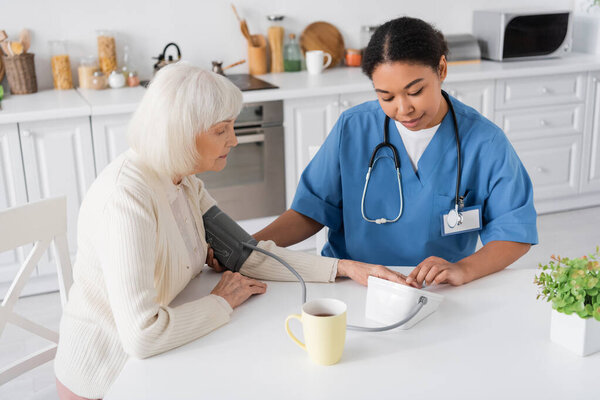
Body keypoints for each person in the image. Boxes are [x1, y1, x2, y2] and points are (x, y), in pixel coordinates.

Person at [53, 63, 407, 400]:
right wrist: (222, 301)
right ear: (179, 135)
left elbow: (243, 252)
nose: (234, 140)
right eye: (221, 130)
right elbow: (143, 335)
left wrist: (342, 268)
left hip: (163, 360)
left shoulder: (181, 179)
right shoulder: (127, 198)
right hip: (110, 378)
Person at [253, 17, 538, 288]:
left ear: (441, 69)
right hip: (351, 282)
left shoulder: (484, 141)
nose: (403, 109)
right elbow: (311, 211)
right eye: (385, 97)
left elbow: (514, 231)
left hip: (433, 289)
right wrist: (245, 246)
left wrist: (464, 269)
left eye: (415, 91)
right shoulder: (353, 127)